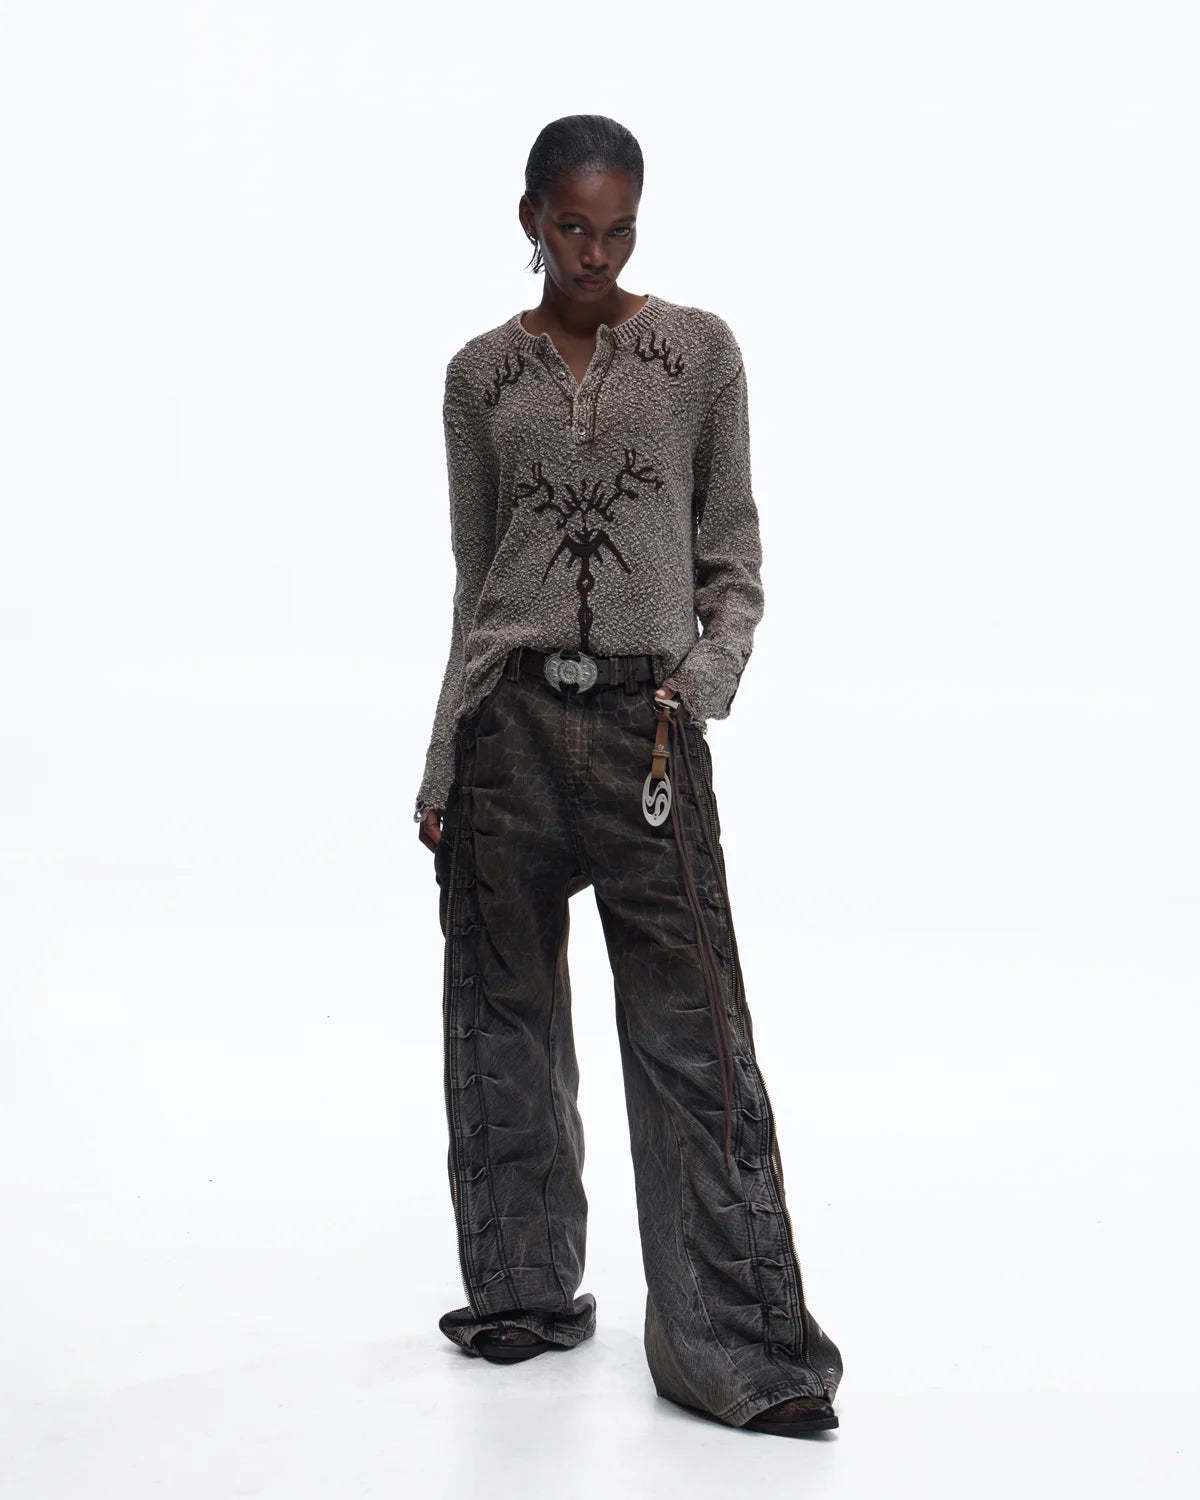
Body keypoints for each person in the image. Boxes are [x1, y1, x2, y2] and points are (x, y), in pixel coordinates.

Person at [415, 114, 844, 1438]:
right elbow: (475, 583)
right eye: (572, 227)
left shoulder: (699, 355)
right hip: (506, 734)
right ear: (530, 219)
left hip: (647, 735)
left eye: (618, 229)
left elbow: (735, 557)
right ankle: (521, 1291)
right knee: (502, 1022)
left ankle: (740, 1349)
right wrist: (442, 757)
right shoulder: (479, 378)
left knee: (691, 1039)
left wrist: (701, 684)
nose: (595, 254)